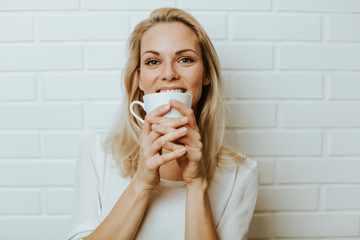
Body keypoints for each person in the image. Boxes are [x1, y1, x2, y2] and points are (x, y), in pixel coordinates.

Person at [68, 8, 258, 240]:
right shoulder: (97, 153)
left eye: (185, 59)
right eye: (153, 61)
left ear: (206, 74)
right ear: (139, 78)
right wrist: (141, 183)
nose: (169, 73)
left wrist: (197, 183)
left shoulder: (241, 173)